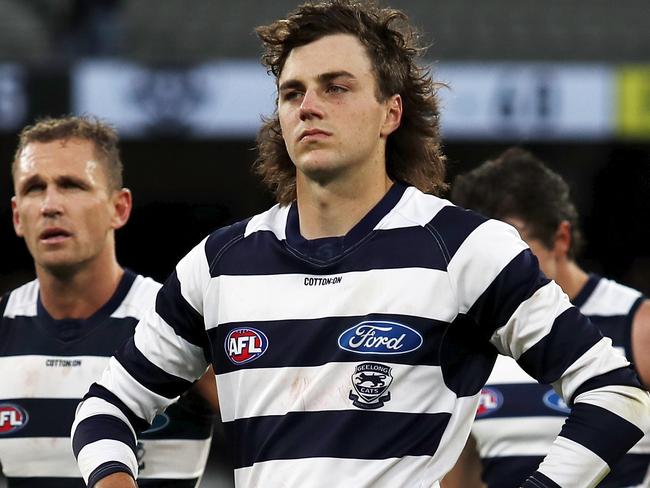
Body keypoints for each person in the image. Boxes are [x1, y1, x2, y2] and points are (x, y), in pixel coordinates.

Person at [72, 2, 650, 487]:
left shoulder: (467, 249)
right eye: (292, 92)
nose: (309, 106)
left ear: (390, 112)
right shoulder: (218, 264)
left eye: (336, 87)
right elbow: (103, 409)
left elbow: (615, 395)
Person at [0, 115, 217, 487]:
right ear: (18, 216)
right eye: (35, 188)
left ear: (119, 207)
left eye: (72, 185)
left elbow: (276, 441)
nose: (50, 204)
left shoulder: (180, 320)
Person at [444, 147, 650, 488]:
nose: (498, 275)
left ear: (562, 239)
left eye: (516, 257)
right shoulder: (467, 329)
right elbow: (458, 470)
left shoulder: (637, 324)